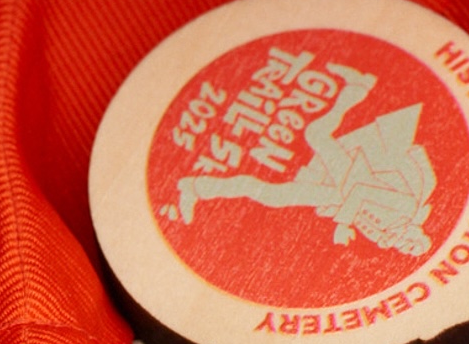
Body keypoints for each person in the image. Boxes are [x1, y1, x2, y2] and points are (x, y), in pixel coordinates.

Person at [175, 65, 436, 256]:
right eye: (411, 245)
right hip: (348, 175)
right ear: (416, 233)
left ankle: (195, 187)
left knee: (271, 195)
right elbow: (361, 190)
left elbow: (357, 207)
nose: (404, 248)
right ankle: (356, 88)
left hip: (336, 193)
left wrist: (338, 213)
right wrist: (342, 223)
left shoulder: (385, 235)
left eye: (407, 250)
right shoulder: (406, 208)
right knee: (314, 135)